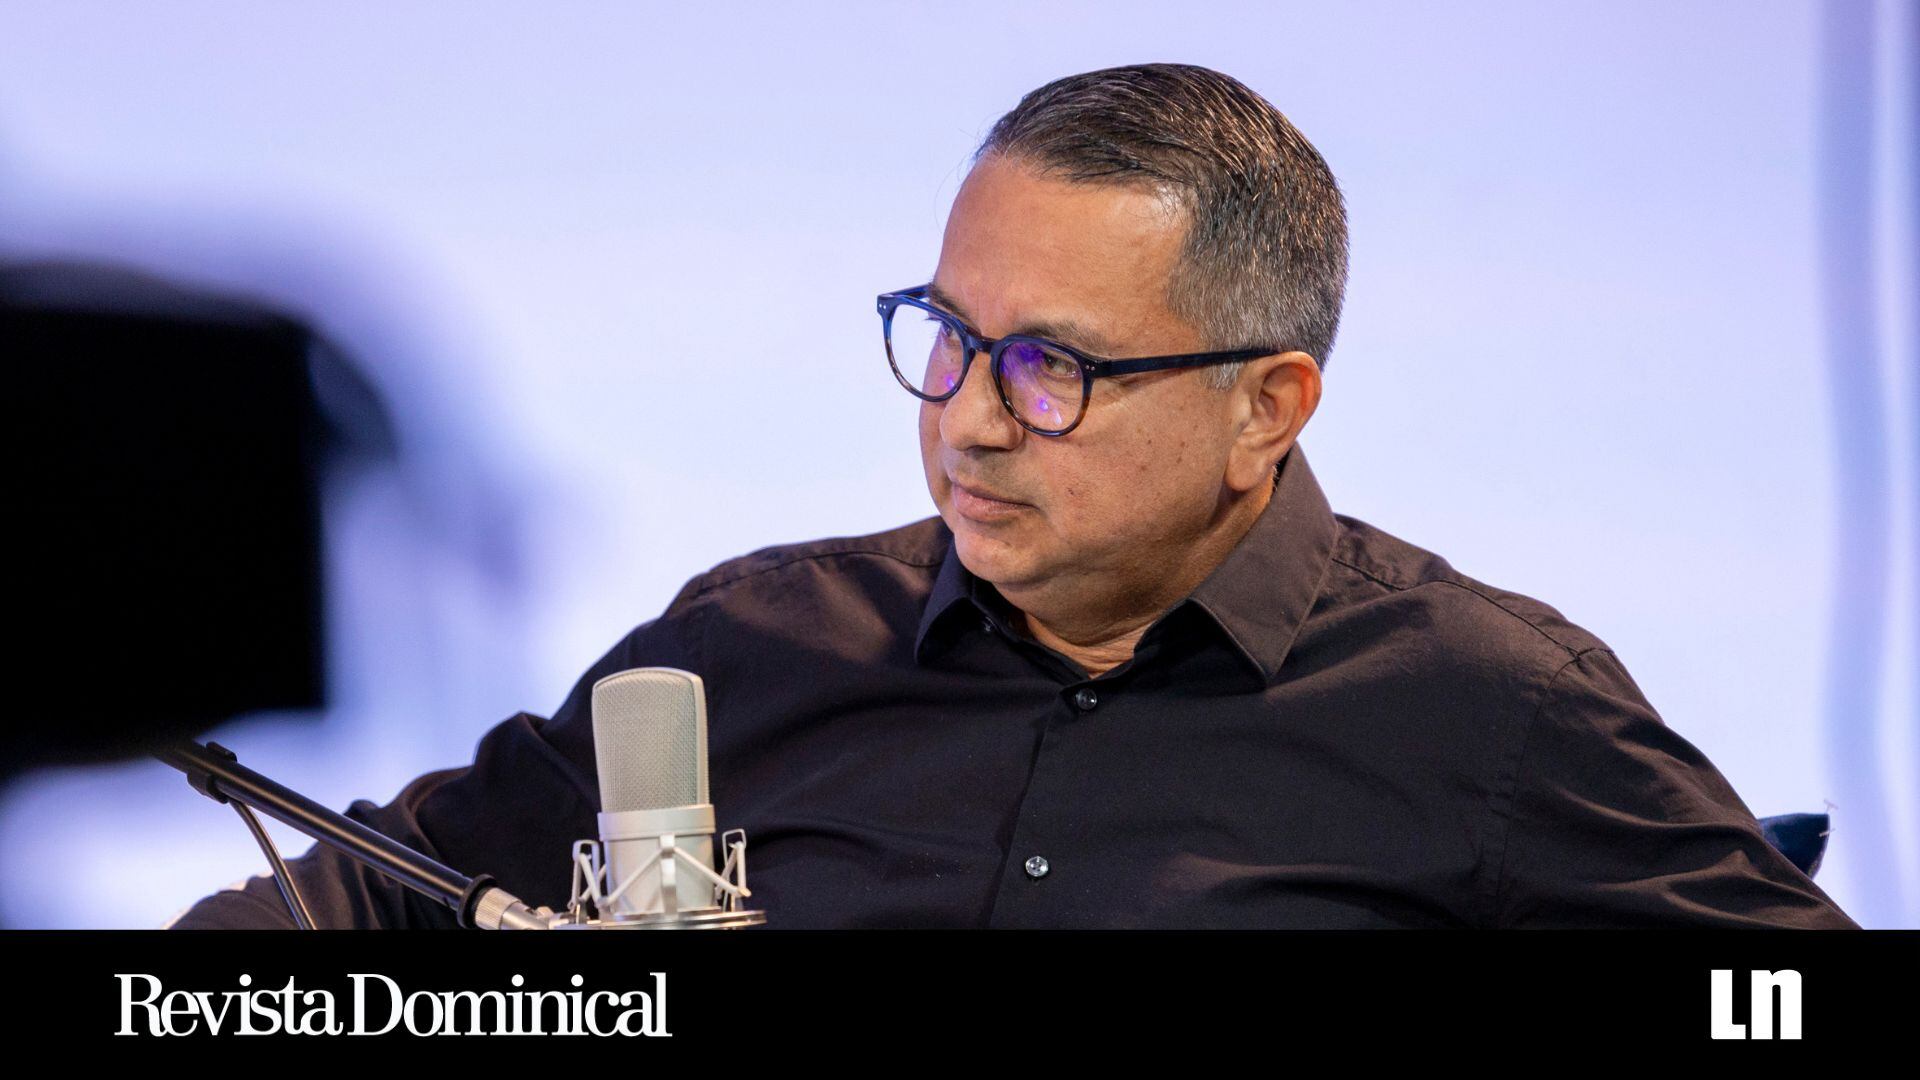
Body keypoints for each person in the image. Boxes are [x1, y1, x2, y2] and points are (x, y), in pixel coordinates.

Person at [169, 63, 1856, 930]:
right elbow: (367, 898)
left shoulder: (1491, 710)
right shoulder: (759, 644)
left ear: (1266, 407)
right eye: (950, 336)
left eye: (1052, 368)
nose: (967, 421)